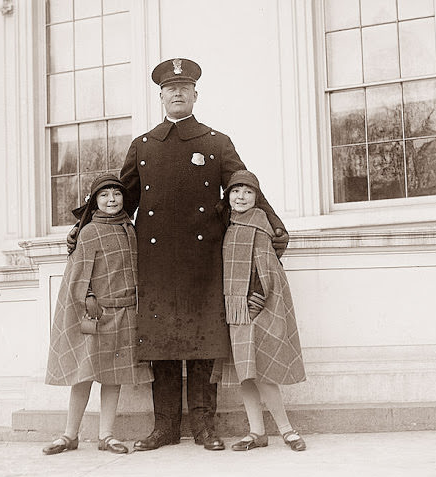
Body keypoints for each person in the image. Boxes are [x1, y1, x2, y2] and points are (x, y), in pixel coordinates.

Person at [68, 58, 289, 452]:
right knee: (162, 345)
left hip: (205, 261)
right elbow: (123, 198)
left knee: (204, 344)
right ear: (161, 96)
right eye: (171, 89)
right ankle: (165, 427)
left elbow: (243, 186)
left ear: (194, 95)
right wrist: (83, 224)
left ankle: (204, 428)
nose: (177, 93)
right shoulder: (144, 145)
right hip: (154, 264)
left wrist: (273, 228)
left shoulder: (216, 141)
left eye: (184, 88)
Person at [43, 174, 153, 456]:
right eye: (104, 196)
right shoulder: (90, 231)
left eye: (116, 194)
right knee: (84, 374)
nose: (111, 200)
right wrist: (88, 297)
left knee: (113, 375)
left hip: (125, 311)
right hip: (97, 314)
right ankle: (70, 434)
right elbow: (79, 272)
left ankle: (107, 435)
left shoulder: (130, 229)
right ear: (94, 202)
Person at [211, 169, 306, 452]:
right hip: (233, 307)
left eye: (248, 191)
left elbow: (268, 267)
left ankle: (287, 430)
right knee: (245, 372)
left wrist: (258, 296)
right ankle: (256, 432)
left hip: (255, 308)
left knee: (263, 371)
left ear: (257, 197)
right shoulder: (225, 224)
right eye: (236, 191)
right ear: (227, 195)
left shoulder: (260, 223)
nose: (241, 196)